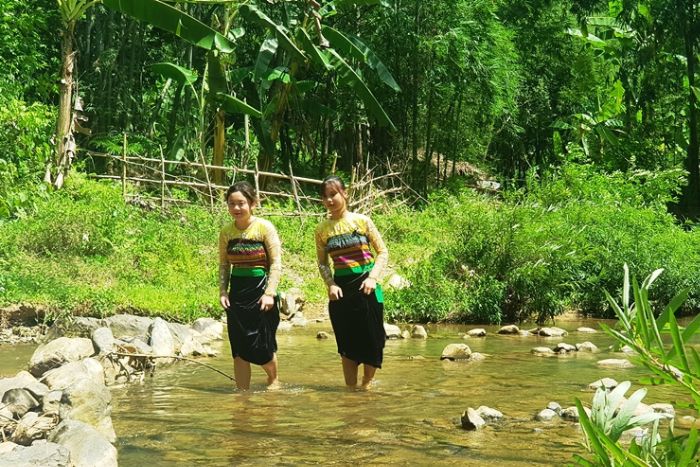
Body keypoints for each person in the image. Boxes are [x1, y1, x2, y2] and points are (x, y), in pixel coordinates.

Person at [314, 175, 389, 389]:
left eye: (333, 194)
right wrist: (330, 284)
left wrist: (373, 278)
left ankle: (366, 385)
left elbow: (383, 252)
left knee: (373, 341)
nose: (329, 200)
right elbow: (322, 263)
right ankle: (350, 390)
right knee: (346, 344)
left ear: (345, 193)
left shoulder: (362, 221)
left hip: (369, 288)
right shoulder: (322, 230)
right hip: (341, 290)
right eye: (325, 197)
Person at [219, 181, 282, 390]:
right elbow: (224, 265)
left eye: (241, 203)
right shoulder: (226, 232)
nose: (236, 208)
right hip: (237, 294)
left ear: (253, 203)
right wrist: (223, 291)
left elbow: (276, 263)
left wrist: (269, 293)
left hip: (261, 292)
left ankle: (273, 380)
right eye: (232, 204)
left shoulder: (264, 228)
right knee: (238, 347)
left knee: (261, 344)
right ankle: (242, 393)